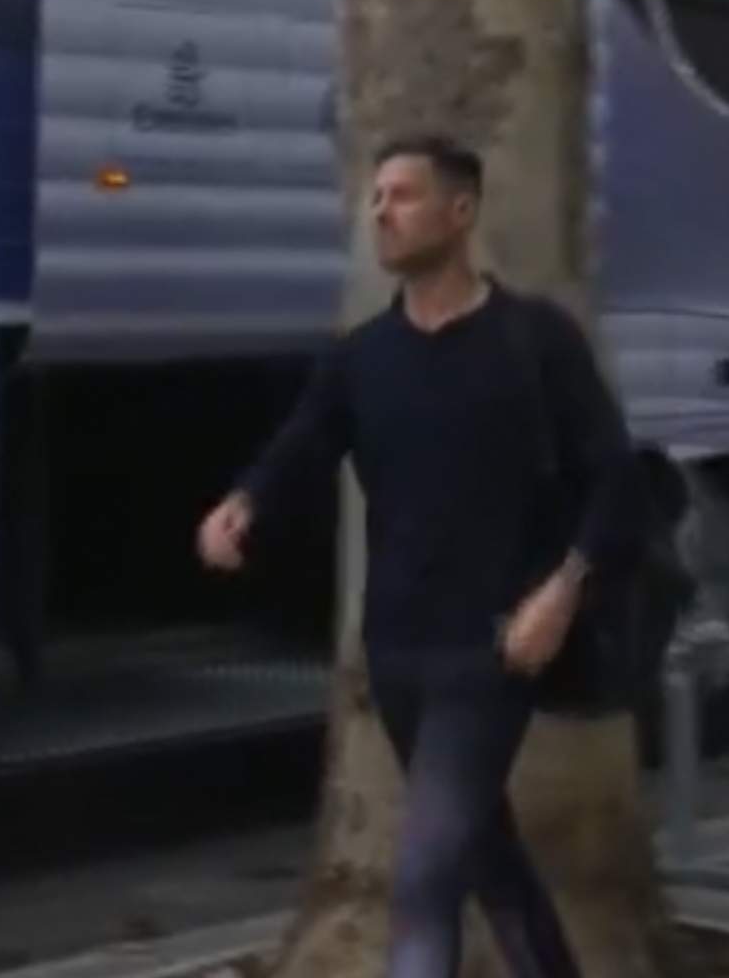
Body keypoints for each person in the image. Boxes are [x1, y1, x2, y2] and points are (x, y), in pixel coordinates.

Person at [196, 134, 649, 978]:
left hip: (494, 650)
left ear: (460, 211)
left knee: (426, 879)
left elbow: (617, 482)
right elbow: (302, 444)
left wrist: (562, 592)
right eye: (376, 198)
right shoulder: (363, 357)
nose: (382, 213)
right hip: (397, 650)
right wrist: (243, 504)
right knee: (487, 857)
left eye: (402, 196)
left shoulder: (533, 340)